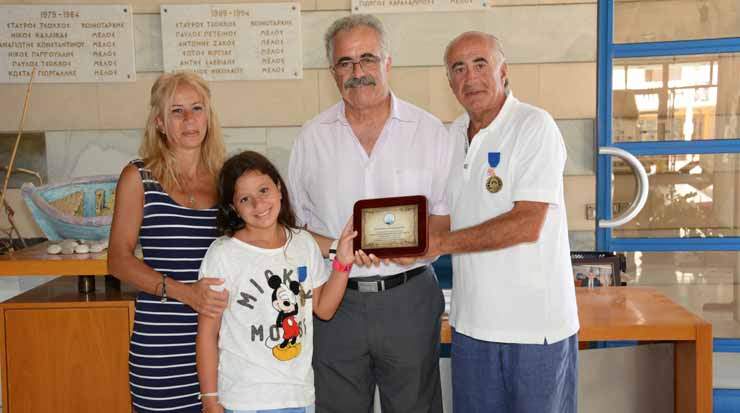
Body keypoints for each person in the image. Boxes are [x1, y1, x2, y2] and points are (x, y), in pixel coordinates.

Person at [288, 14, 454, 413]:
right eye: (345, 62)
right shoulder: (311, 138)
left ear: (388, 62)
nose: (357, 72)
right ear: (332, 71)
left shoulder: (429, 132)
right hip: (334, 303)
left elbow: (444, 220)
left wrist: (415, 249)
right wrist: (339, 251)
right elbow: (294, 230)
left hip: (409, 297)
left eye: (367, 58)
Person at [428, 31, 579, 412]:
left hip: (534, 330)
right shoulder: (449, 138)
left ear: (503, 71)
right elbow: (440, 220)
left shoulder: (534, 126)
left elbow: (526, 223)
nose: (470, 76)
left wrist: (441, 245)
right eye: (458, 68)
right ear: (449, 82)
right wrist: (384, 246)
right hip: (472, 327)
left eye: (481, 64)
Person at [196, 151, 357, 413]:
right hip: (244, 399)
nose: (259, 205)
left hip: (298, 397)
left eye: (264, 190)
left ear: (279, 189)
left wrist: (342, 263)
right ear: (234, 207)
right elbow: (207, 333)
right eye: (245, 199)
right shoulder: (224, 254)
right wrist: (210, 399)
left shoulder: (303, 244)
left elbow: (324, 309)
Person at [108, 71, 229, 413]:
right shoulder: (139, 177)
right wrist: (185, 292)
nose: (189, 120)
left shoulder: (228, 180)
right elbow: (117, 260)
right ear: (160, 122)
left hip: (226, 348)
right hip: (162, 352)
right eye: (177, 111)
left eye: (197, 108)